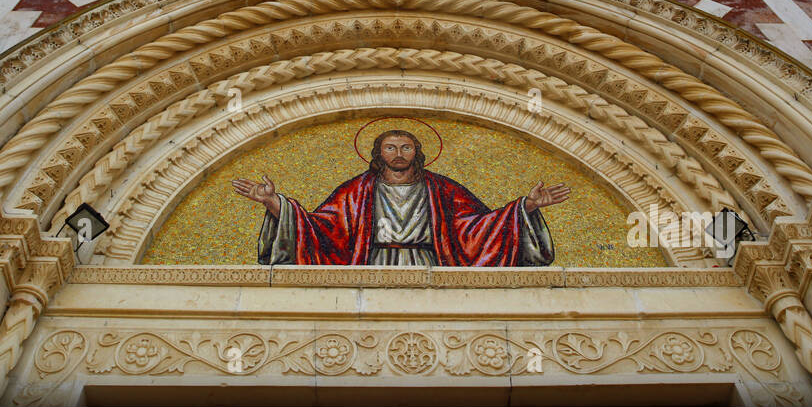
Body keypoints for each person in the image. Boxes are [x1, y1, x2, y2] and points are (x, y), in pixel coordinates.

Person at [231, 128, 569, 266]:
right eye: (390, 148)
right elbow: (324, 228)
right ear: (378, 153)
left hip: (429, 264)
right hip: (373, 264)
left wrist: (527, 206)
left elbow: (477, 227)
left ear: (418, 152)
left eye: (406, 147)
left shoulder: (442, 189)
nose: (398, 153)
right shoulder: (356, 191)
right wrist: (273, 203)